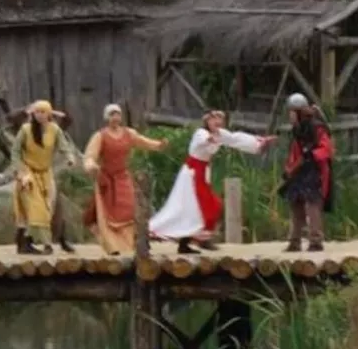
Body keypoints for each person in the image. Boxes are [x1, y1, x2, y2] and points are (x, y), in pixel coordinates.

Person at [149, 110, 270, 253]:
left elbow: (235, 139)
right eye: (214, 118)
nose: (218, 121)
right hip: (192, 174)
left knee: (205, 207)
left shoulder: (220, 134)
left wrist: (258, 143)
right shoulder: (201, 133)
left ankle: (188, 243)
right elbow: (203, 139)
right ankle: (197, 240)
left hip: (202, 173)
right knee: (203, 207)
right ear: (207, 121)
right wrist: (210, 140)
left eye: (220, 118)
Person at [85, 104, 169, 255]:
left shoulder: (129, 133)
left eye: (117, 114)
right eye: (112, 114)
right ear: (107, 117)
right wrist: (91, 165)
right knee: (107, 214)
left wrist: (158, 145)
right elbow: (90, 155)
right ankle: (112, 246)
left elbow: (143, 142)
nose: (115, 117)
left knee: (129, 210)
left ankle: (128, 243)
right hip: (106, 179)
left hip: (123, 177)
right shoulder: (100, 136)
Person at [14, 100, 70, 255]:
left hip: (46, 174)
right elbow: (16, 151)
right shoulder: (25, 129)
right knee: (34, 207)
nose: (39, 115)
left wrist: (69, 157)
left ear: (49, 114)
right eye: (37, 112)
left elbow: (64, 146)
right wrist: (21, 172)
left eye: (43, 112)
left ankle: (30, 241)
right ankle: (44, 244)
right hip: (28, 173)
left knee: (48, 208)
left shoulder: (54, 129)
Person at [280, 94, 333, 253]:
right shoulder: (297, 129)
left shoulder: (316, 127)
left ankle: (316, 241)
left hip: (314, 171)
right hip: (300, 171)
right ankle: (294, 242)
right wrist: (289, 169)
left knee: (312, 206)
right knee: (295, 204)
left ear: (299, 111)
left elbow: (327, 149)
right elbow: (296, 151)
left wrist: (312, 155)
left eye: (292, 112)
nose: (290, 115)